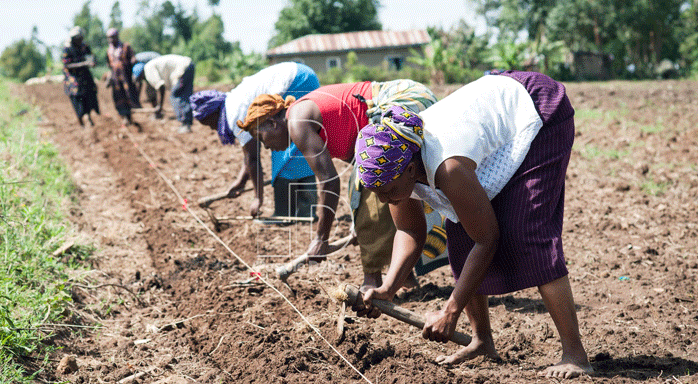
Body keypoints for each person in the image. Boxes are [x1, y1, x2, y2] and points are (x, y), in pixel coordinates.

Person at [351, 70, 593, 379]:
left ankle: (575, 353)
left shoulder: (447, 167)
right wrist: (387, 288)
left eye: (387, 191)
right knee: (461, 235)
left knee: (527, 236)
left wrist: (450, 310)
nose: (384, 201)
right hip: (493, 119)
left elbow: (487, 239)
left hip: (537, 109)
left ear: (412, 170)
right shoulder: (400, 165)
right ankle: (482, 341)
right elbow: (409, 231)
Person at [237, 79, 443, 290]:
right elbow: (355, 165)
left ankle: (371, 280)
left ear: (273, 123)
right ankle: (405, 279)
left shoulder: (297, 122)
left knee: (367, 188)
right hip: (412, 96)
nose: (266, 147)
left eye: (261, 137)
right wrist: (358, 226)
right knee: (385, 191)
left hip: (402, 101)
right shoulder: (304, 120)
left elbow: (330, 182)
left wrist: (320, 239)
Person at [189, 62, 319, 219]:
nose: (212, 128)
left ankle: (285, 213)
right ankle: (306, 212)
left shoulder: (234, 114)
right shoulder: (233, 101)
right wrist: (241, 181)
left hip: (295, 82)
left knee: (284, 147)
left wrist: (258, 198)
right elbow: (250, 155)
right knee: (299, 146)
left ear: (212, 114)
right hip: (305, 75)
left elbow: (252, 158)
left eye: (209, 124)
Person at [143, 54, 195, 133]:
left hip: (183, 68)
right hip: (188, 64)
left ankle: (185, 124)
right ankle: (187, 122)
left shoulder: (148, 70)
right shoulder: (150, 66)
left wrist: (160, 106)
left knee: (176, 95)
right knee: (185, 95)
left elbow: (161, 87)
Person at [61, 26, 100, 127]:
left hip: (85, 76)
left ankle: (89, 116)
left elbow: (91, 57)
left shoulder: (84, 46)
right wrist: (83, 64)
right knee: (77, 96)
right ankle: (81, 120)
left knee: (90, 93)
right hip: (73, 77)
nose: (80, 40)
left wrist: (92, 62)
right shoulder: (67, 48)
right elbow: (67, 65)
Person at [105, 28, 140, 125]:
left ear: (117, 36)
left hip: (126, 77)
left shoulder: (125, 46)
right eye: (109, 38)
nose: (111, 40)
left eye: (112, 37)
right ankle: (124, 117)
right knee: (118, 97)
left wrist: (133, 61)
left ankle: (129, 116)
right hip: (116, 80)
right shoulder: (109, 50)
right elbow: (109, 65)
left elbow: (133, 57)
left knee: (128, 95)